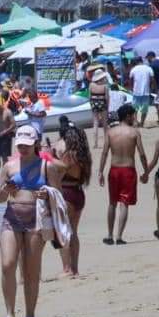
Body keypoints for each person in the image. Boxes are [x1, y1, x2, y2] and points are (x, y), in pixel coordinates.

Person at [0, 126, 64, 317]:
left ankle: (30, 316)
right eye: (20, 145)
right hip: (11, 218)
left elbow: (58, 195)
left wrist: (47, 193)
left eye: (26, 145)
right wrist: (5, 190)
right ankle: (9, 314)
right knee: (8, 264)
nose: (23, 148)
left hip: (36, 220)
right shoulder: (9, 166)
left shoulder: (46, 166)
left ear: (35, 143)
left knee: (31, 270)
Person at [98, 104, 148, 245]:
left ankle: (109, 235)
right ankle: (119, 236)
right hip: (128, 170)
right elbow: (142, 154)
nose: (134, 118)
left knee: (112, 203)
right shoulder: (134, 133)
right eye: (133, 115)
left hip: (114, 170)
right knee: (124, 203)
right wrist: (146, 171)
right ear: (127, 116)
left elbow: (104, 153)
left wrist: (100, 171)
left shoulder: (110, 132)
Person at [53, 119, 91, 277]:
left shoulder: (69, 156)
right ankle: (74, 267)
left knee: (63, 232)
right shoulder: (84, 156)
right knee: (73, 231)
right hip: (78, 192)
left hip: (66, 192)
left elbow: (60, 173)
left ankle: (67, 268)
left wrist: (49, 157)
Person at [0, 99, 15, 180]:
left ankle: (5, 174)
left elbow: (13, 125)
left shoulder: (8, 112)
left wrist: (5, 131)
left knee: (4, 157)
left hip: (6, 136)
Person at [129, 56, 154, 127]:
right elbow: (152, 79)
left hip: (136, 91)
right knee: (144, 109)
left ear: (136, 62)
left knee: (134, 109)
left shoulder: (133, 69)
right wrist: (152, 88)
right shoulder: (148, 68)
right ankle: (142, 123)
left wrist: (131, 89)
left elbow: (130, 80)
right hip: (146, 91)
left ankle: (135, 122)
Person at [89, 68, 110, 149]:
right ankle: (106, 142)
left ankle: (95, 144)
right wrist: (107, 107)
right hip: (102, 103)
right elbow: (107, 97)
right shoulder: (105, 86)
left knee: (95, 123)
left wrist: (92, 105)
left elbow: (89, 97)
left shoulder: (91, 84)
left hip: (94, 103)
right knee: (105, 123)